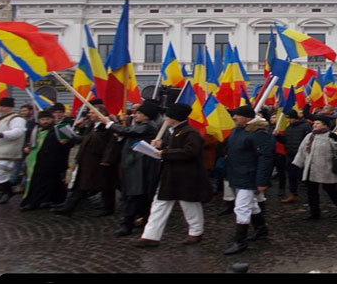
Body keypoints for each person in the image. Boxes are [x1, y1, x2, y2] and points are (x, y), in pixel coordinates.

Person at [135, 103, 212, 247]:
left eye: (168, 116)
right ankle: (150, 236)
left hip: (186, 176)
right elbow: (175, 150)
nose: (165, 118)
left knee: (189, 205)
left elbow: (190, 152)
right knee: (160, 204)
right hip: (170, 175)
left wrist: (164, 152)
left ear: (174, 118)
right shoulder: (175, 131)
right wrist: (161, 147)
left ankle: (196, 232)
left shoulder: (190, 132)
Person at [101, 100, 160, 236]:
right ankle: (142, 219)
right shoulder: (141, 125)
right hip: (133, 164)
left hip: (140, 166)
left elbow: (129, 131)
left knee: (135, 194)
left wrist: (109, 123)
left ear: (147, 115)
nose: (136, 115)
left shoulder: (148, 126)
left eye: (139, 113)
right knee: (137, 195)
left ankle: (127, 224)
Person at [223, 105, 274, 255]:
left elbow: (266, 158)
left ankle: (240, 241)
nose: (234, 118)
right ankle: (261, 230)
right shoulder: (237, 130)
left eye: (237, 115)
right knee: (251, 205)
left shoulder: (258, 134)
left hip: (249, 175)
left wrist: (262, 180)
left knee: (241, 207)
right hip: (237, 174)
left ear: (247, 118)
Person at [51, 104, 119, 216]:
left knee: (105, 185)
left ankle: (108, 207)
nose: (89, 114)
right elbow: (86, 139)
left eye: (92, 112)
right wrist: (74, 136)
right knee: (82, 184)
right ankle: (68, 206)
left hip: (98, 159)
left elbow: (111, 144)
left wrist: (107, 159)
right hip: (87, 159)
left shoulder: (107, 126)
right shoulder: (92, 125)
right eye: (89, 112)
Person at [292, 116, 337, 220]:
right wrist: (298, 163)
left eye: (317, 123)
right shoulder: (309, 136)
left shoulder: (332, 135)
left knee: (331, 190)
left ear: (325, 125)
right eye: (314, 123)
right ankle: (314, 213)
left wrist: (336, 139)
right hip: (311, 168)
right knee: (312, 191)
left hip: (327, 168)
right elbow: (302, 150)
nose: (314, 125)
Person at [20, 110, 72, 210]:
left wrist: (65, 142)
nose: (45, 122)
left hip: (52, 162)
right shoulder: (36, 131)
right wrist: (27, 147)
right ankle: (34, 201)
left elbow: (70, 142)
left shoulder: (58, 129)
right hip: (36, 161)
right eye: (43, 119)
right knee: (36, 182)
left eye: (47, 119)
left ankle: (47, 201)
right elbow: (29, 142)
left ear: (52, 119)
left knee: (49, 183)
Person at [0, 97, 27, 204]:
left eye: (4, 107)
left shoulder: (16, 119)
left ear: (10, 107)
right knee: (0, 173)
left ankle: (8, 191)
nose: (1, 109)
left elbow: (18, 132)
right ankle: (2, 193)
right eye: (0, 106)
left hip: (7, 150)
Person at [278, 110, 312, 204]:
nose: (289, 120)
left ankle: (311, 197)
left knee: (305, 177)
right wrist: (277, 137)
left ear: (295, 118)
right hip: (290, 155)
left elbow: (310, 140)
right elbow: (285, 140)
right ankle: (293, 194)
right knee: (291, 176)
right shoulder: (288, 128)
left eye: (290, 118)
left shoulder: (306, 126)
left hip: (302, 156)